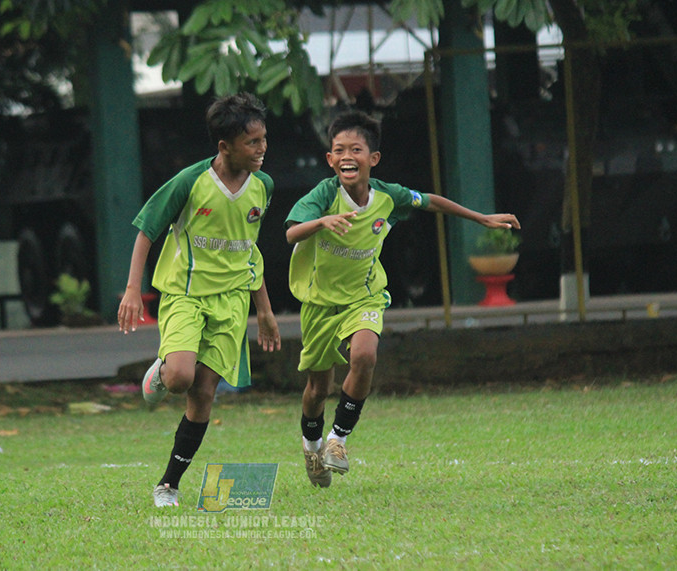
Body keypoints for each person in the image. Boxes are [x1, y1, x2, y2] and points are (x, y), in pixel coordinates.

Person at [285, 110, 520, 487]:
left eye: (356, 149)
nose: (347, 156)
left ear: (372, 159)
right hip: (319, 304)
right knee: (317, 390)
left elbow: (429, 201)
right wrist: (322, 222)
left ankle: (337, 441)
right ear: (330, 159)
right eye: (339, 150)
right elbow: (292, 233)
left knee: (364, 356)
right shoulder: (324, 195)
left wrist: (481, 218)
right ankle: (311, 448)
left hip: (365, 297)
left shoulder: (387, 196)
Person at [118, 92, 282, 507]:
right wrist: (133, 289)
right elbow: (146, 231)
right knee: (179, 379)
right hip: (186, 296)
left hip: (231, 303)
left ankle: (168, 485)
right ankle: (162, 368)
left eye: (263, 139)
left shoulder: (263, 186)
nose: (262, 149)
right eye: (252, 142)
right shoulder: (191, 182)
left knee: (204, 394)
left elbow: (250, 252)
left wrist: (263, 309)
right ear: (224, 146)